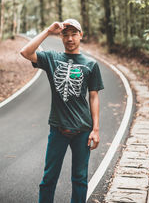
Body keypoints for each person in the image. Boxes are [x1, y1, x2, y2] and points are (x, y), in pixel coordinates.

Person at [20, 19, 104, 203]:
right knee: (48, 178)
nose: (70, 38)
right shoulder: (52, 58)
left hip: (82, 130)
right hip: (58, 129)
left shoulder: (91, 64)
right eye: (65, 34)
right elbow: (25, 52)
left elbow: (94, 96)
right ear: (61, 37)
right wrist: (48, 31)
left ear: (81, 35)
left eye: (74, 34)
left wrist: (96, 129)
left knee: (80, 179)